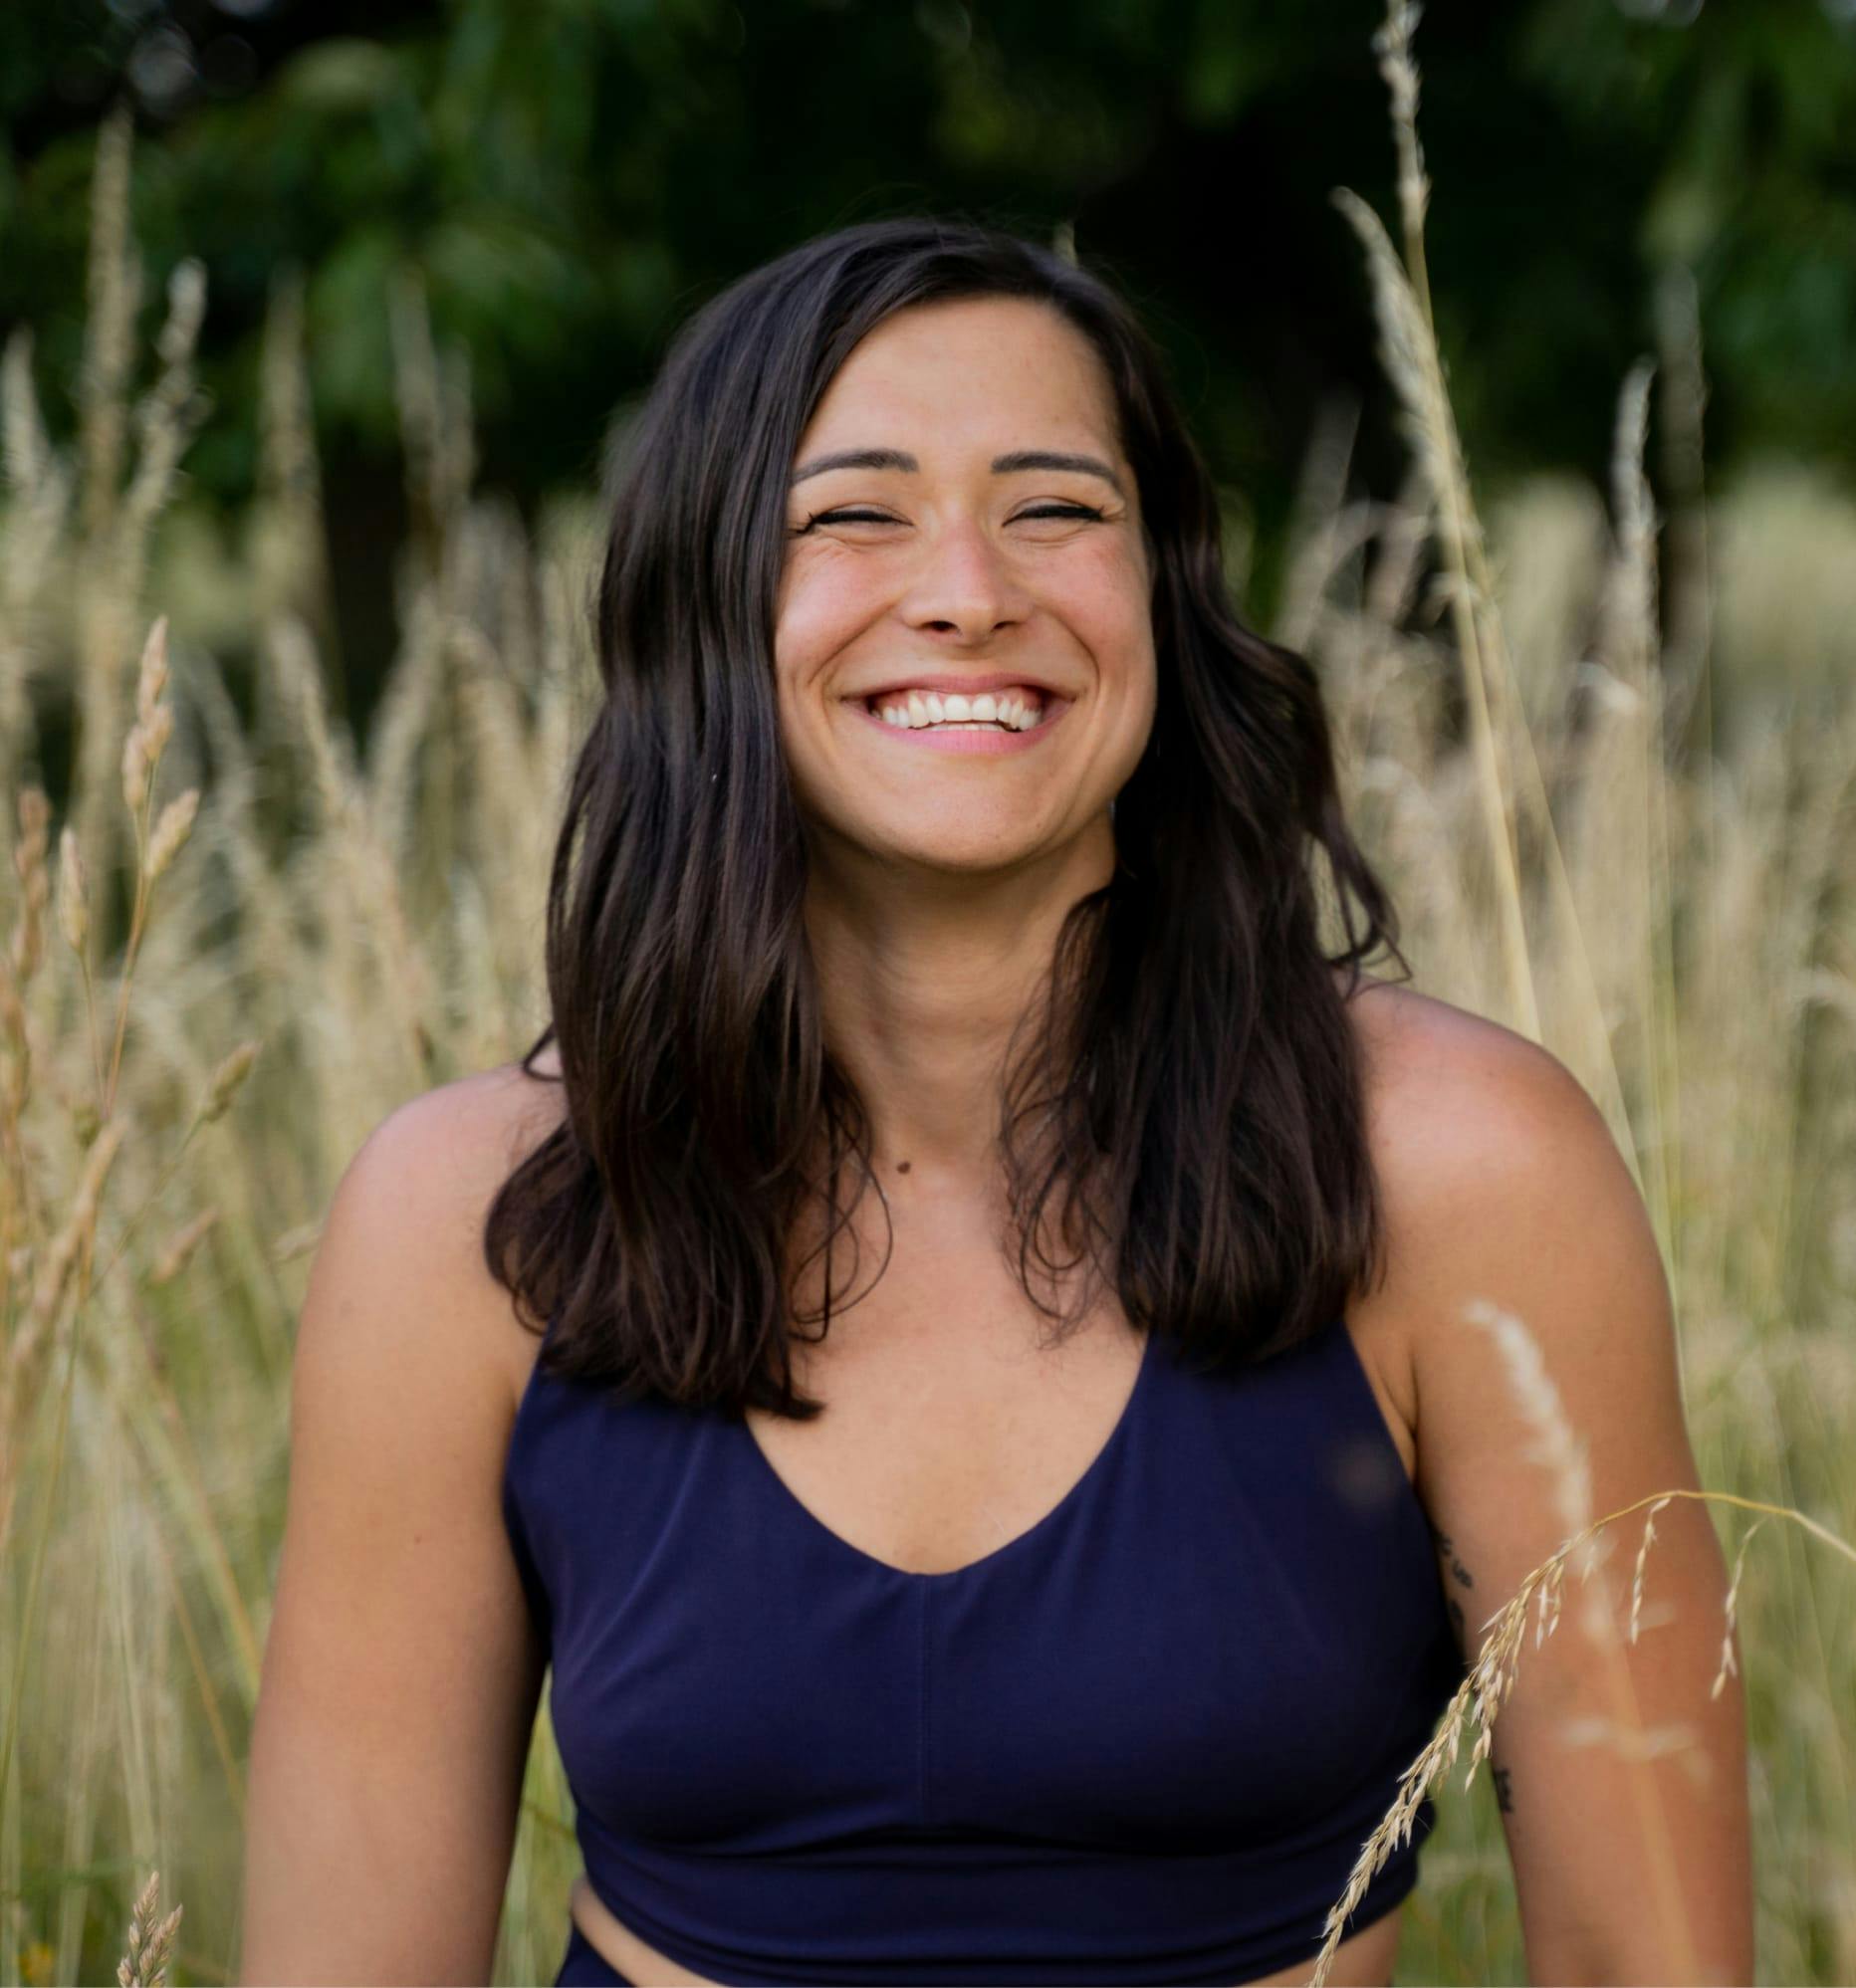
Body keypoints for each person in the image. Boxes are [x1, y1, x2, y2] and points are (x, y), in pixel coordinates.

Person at [238, 217, 1753, 1987]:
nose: (967, 586)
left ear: (1163, 596)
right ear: (706, 606)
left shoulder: (1461, 1171)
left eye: (1053, 508)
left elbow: (1646, 1959)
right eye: (852, 513)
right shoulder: (469, 1220)